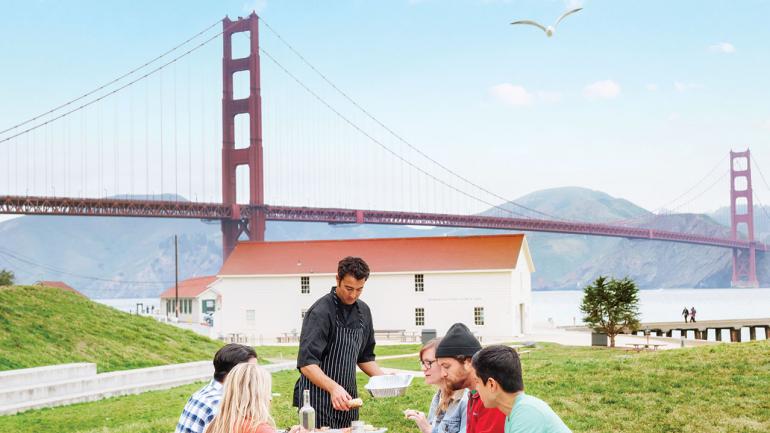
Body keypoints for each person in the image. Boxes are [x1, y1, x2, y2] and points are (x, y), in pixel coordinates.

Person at [293, 256, 384, 428]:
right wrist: (334, 388)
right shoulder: (320, 311)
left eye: (359, 289)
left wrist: (385, 380)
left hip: (347, 399)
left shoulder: (364, 311)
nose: (353, 294)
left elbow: (365, 357)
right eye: (349, 288)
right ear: (337, 279)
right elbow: (307, 363)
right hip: (316, 401)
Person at [472, 345, 571, 433]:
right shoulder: (515, 413)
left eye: (477, 382)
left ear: (491, 385)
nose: (476, 388)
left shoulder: (526, 414)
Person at [436, 323, 505, 433]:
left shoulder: (491, 399)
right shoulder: (473, 394)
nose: (442, 374)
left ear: (469, 362)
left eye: (446, 366)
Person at [175, 344, 258, 433]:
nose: (256, 374)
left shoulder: (205, 392)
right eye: (251, 370)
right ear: (235, 373)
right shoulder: (220, 405)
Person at [204, 363, 303, 433]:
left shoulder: (217, 423)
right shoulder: (258, 428)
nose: (270, 397)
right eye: (267, 391)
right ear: (259, 395)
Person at [404, 338, 468, 433]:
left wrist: (428, 429)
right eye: (422, 363)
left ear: (444, 363)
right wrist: (423, 422)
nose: (423, 368)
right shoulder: (438, 397)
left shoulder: (465, 400)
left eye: (428, 362)